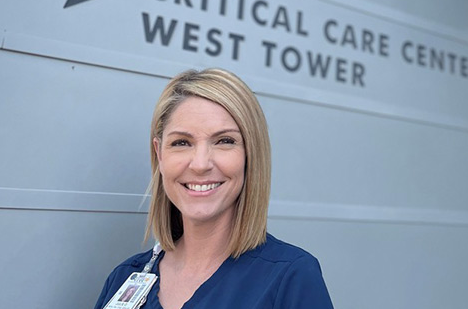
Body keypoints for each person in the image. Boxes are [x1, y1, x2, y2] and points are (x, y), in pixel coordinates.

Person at [94, 68, 333, 309]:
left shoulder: (291, 278)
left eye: (224, 141)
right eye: (181, 142)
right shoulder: (123, 279)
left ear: (251, 155)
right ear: (159, 154)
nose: (200, 164)